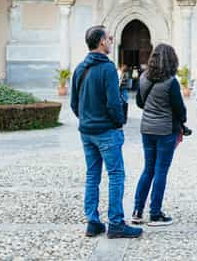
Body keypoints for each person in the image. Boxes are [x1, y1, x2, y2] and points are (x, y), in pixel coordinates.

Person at [70, 25, 142, 239]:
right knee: (116, 175)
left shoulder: (80, 68)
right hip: (106, 132)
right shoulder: (108, 68)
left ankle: (93, 222)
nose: (112, 41)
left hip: (87, 132)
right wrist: (118, 121)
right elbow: (114, 103)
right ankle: (116, 223)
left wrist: (87, 119)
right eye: (109, 38)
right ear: (102, 42)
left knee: (93, 175)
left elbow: (74, 103)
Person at [132, 44, 186, 226]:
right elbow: (180, 109)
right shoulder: (171, 82)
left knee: (148, 169)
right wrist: (182, 121)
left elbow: (140, 102)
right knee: (161, 171)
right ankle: (155, 214)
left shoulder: (144, 78)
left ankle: (137, 212)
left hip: (147, 129)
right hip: (165, 131)